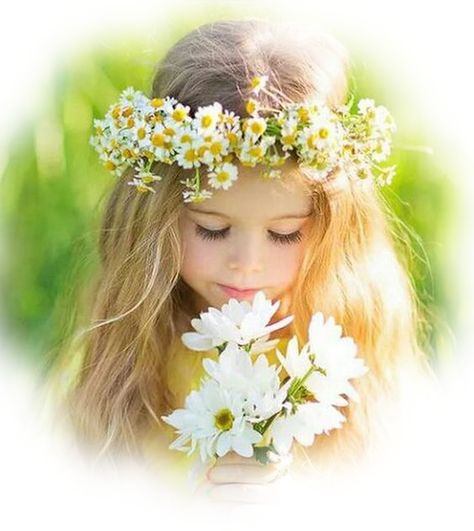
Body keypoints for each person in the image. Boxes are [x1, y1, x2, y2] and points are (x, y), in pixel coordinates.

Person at [47, 18, 436, 505]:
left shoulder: (355, 363)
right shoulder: (128, 360)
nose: (246, 264)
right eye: (212, 228)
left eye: (284, 233)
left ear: (336, 227)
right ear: (153, 220)